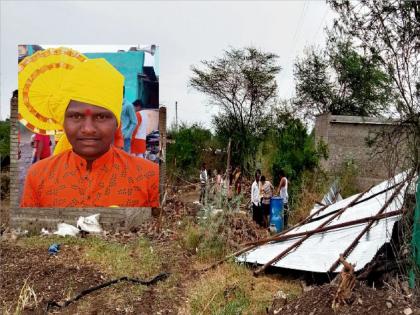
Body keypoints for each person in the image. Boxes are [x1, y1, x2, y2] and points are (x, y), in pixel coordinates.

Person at [20, 52, 159, 208]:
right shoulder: (37, 176)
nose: (88, 129)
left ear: (116, 124)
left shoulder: (150, 176)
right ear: (63, 123)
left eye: (101, 117)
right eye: (76, 116)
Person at [121, 87, 137, 154]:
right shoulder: (115, 105)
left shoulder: (128, 105)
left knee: (124, 159)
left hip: (124, 137)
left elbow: (134, 122)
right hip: (114, 137)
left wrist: (127, 135)